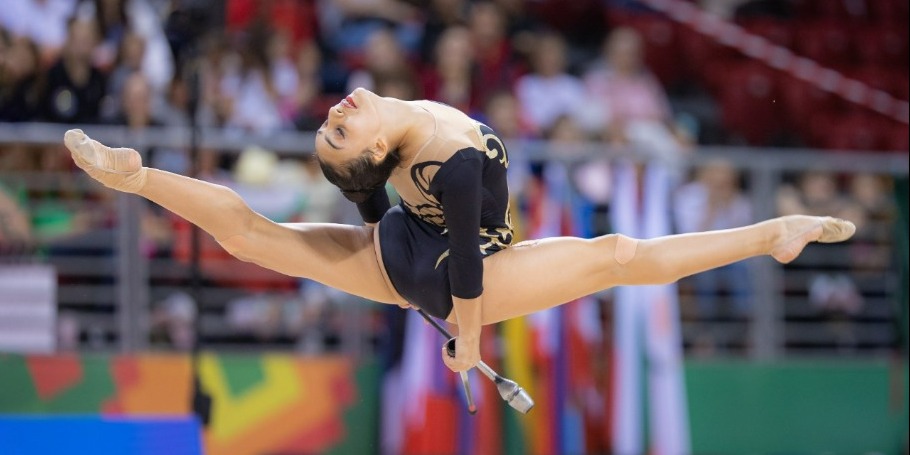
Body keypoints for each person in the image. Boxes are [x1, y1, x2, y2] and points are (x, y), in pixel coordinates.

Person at [61, 87, 856, 373]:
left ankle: (773, 233)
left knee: (258, 238)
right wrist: (466, 337)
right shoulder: (435, 155)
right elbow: (457, 259)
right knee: (618, 256)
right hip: (445, 269)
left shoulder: (423, 143)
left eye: (331, 129)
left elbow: (426, 235)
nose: (335, 114)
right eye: (337, 132)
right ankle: (135, 177)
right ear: (375, 150)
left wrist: (461, 334)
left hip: (433, 256)